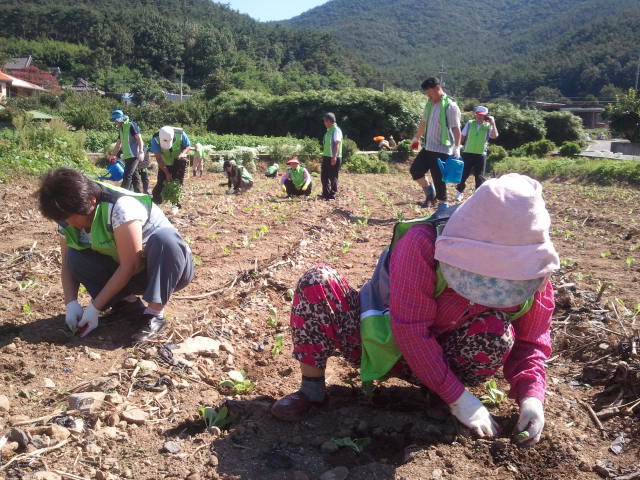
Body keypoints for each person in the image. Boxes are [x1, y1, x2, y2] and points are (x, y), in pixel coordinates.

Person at [271, 174, 559, 447]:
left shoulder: (533, 274)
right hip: (379, 341)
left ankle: (439, 396)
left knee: (497, 333)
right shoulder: (422, 242)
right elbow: (411, 329)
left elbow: (531, 344)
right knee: (317, 281)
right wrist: (460, 398)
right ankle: (312, 390)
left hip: (446, 357)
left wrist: (532, 397)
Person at [37, 168, 195, 342]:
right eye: (63, 219)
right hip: (129, 274)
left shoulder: (120, 207)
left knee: (165, 239)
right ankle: (126, 305)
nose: (69, 224)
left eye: (72, 218)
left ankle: (154, 314)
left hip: (165, 271)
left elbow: (131, 264)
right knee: (75, 257)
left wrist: (95, 308)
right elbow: (67, 263)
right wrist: (71, 303)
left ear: (91, 202)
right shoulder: (66, 215)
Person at [409, 77, 462, 210]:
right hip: (428, 147)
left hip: (442, 149)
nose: (428, 96)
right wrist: (416, 138)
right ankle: (430, 193)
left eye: (429, 93)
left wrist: (457, 146)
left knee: (439, 178)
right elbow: (423, 123)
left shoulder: (450, 106)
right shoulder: (430, 104)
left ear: (437, 88)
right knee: (415, 170)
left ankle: (443, 205)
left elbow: (456, 128)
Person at [455, 106, 499, 202]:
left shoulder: (488, 126)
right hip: (467, 153)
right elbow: (462, 136)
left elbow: (495, 136)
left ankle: (477, 196)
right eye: (478, 115)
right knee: (463, 175)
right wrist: (457, 148)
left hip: (480, 155)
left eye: (482, 115)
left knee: (479, 177)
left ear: (486, 116)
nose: (479, 117)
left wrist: (493, 122)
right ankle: (459, 192)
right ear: (476, 114)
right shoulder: (470, 124)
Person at [150, 126, 191, 205]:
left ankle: (175, 202)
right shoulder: (155, 138)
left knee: (177, 183)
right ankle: (156, 201)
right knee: (161, 183)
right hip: (164, 162)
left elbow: (187, 145)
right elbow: (158, 158)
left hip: (178, 161)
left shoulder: (180, 133)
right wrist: (167, 173)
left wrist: (183, 153)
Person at [108, 110, 144, 192]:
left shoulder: (131, 125)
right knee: (135, 175)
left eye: (115, 120)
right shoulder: (121, 128)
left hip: (134, 155)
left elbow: (139, 139)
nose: (115, 122)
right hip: (127, 155)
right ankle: (138, 193)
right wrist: (113, 155)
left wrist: (141, 151)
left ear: (120, 119)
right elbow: (118, 144)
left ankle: (123, 193)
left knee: (127, 175)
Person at [320, 112, 343, 200]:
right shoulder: (328, 131)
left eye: (325, 121)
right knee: (324, 176)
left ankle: (332, 194)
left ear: (329, 121)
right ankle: (325, 194)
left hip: (333, 157)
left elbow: (337, 143)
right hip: (326, 156)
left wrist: (334, 157)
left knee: (333, 176)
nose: (324, 123)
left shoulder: (336, 130)